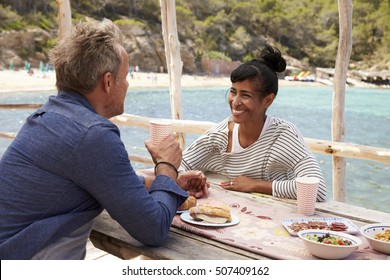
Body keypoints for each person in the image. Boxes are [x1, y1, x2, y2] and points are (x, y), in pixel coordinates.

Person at [0, 19, 208, 260]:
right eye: (126, 76)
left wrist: (168, 182)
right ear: (108, 82)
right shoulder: (93, 134)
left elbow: (104, 179)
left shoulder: (47, 115)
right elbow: (153, 229)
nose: (128, 84)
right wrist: (167, 166)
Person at [180, 44, 326, 202]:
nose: (235, 102)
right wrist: (191, 180)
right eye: (233, 92)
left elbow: (317, 189)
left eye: (245, 95)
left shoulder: (283, 136)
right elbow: (180, 165)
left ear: (268, 100)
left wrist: (256, 185)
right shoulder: (220, 136)